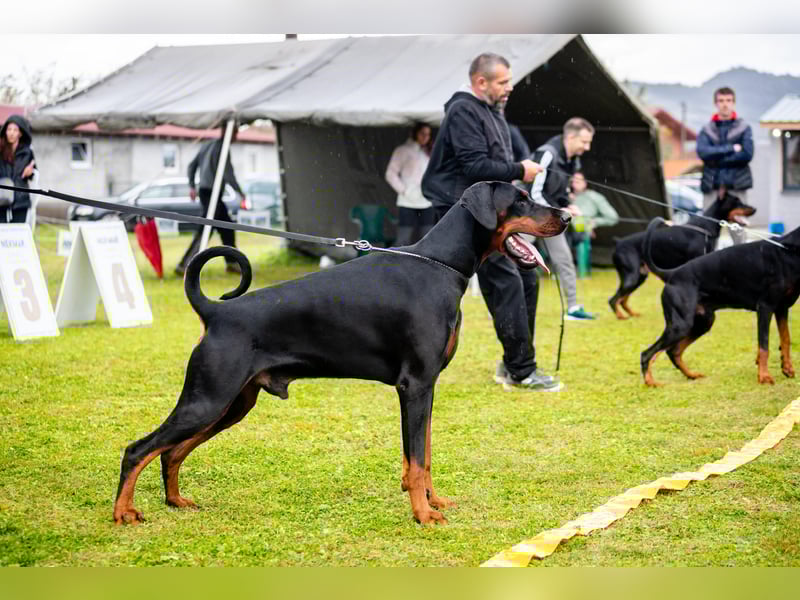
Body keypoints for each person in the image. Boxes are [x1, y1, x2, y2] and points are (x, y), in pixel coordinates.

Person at [421, 52, 561, 392]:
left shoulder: (490, 111)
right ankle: (521, 371)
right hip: (464, 211)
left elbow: (493, 164)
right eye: (503, 82)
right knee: (505, 281)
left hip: (488, 209)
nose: (509, 87)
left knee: (526, 278)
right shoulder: (463, 110)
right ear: (480, 82)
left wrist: (520, 170)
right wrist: (519, 170)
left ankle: (514, 361)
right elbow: (474, 168)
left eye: (509, 81)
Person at [529, 117, 597, 320]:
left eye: (589, 142)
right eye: (584, 142)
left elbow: (561, 190)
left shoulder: (572, 160)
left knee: (564, 259)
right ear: (570, 136)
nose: (587, 147)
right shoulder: (547, 153)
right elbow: (532, 192)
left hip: (550, 217)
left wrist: (569, 204)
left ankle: (573, 308)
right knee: (514, 262)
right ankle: (501, 307)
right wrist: (559, 209)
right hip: (528, 216)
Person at [176, 124, 247, 275]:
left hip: (206, 192)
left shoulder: (206, 145)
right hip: (210, 193)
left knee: (226, 226)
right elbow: (229, 174)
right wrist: (240, 192)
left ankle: (232, 263)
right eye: (235, 133)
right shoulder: (222, 148)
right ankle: (185, 266)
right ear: (228, 132)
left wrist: (192, 186)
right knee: (206, 229)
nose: (236, 136)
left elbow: (191, 166)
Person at [696, 86, 753, 246]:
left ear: (733, 103)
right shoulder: (706, 130)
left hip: (737, 187)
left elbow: (747, 155)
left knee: (739, 233)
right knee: (706, 231)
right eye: (721, 101)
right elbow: (703, 153)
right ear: (716, 103)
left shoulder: (744, 128)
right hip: (712, 186)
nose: (725, 104)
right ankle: (707, 267)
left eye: (728, 100)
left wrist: (716, 157)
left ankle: (742, 268)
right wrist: (731, 148)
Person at [384, 123, 436, 245]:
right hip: (407, 201)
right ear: (415, 133)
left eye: (428, 134)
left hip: (426, 201)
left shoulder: (428, 152)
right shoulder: (403, 150)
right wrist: (405, 190)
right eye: (422, 133)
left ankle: (424, 263)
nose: (425, 137)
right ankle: (398, 263)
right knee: (404, 238)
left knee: (427, 238)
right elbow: (390, 173)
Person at [568, 171, 619, 265]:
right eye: (573, 180)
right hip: (564, 226)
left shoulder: (594, 197)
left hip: (581, 228)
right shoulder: (565, 195)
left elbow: (613, 217)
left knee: (580, 228)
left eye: (578, 180)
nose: (575, 183)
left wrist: (594, 222)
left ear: (585, 183)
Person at [0, 115, 36, 224]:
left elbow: (34, 174)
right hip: (2, 200)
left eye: (15, 130)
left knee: (18, 236)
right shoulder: (0, 151)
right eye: (9, 129)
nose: (11, 133)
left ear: (20, 133)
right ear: (5, 131)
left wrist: (31, 173)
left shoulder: (27, 152)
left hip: (21, 201)